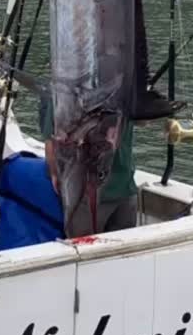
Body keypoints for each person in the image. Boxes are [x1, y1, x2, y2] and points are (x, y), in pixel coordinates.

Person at [39, 92, 138, 233]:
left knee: (84, 249)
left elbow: (51, 140)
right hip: (121, 185)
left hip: (98, 191)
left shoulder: (63, 90)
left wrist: (55, 173)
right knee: (123, 252)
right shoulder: (124, 82)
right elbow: (143, 120)